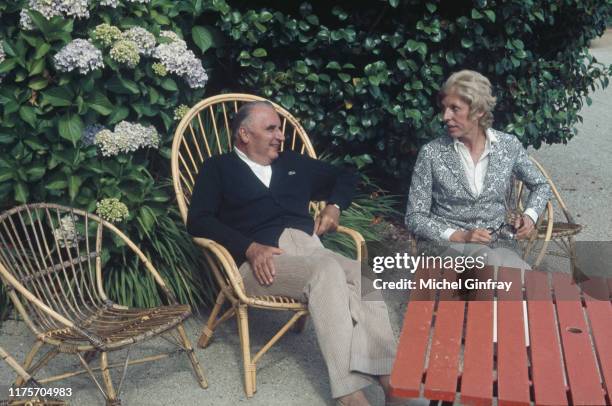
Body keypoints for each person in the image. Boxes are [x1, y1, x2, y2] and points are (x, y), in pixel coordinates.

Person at [187, 101, 397, 406]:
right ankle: (349, 394)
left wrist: (334, 205)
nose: (280, 136)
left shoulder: (291, 163)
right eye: (271, 128)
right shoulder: (218, 168)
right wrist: (249, 247)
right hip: (260, 263)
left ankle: (389, 378)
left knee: (362, 275)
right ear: (244, 134)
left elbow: (346, 176)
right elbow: (198, 220)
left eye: (281, 128)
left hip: (311, 249)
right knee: (326, 272)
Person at [405, 70, 552, 268]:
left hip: (500, 244)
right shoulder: (431, 153)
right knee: (489, 265)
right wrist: (460, 236)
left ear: (479, 111)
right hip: (447, 248)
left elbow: (541, 185)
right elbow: (415, 217)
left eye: (455, 108)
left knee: (522, 273)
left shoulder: (508, 146)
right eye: (444, 108)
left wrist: (530, 216)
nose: (445, 116)